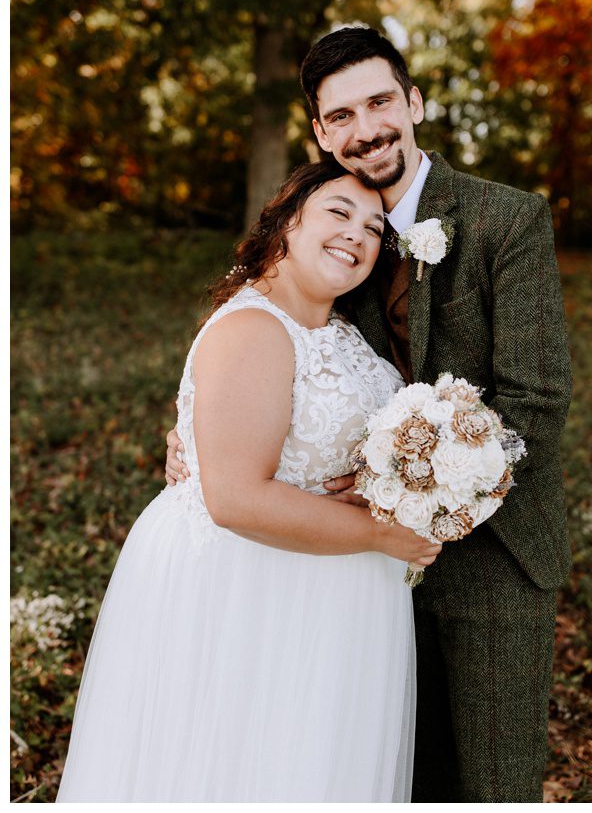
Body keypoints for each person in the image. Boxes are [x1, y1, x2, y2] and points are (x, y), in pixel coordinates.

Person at [167, 25, 573, 801]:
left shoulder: (505, 220)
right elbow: (260, 340)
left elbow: (536, 402)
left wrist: (420, 507)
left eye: (380, 102)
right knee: (380, 771)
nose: (367, 129)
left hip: (493, 551)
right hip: (345, 569)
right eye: (341, 116)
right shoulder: (326, 232)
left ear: (413, 102)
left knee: (492, 781)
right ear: (320, 131)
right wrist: (192, 430)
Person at [58, 163, 441, 802]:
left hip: (332, 589)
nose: (359, 235)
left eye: (375, 228)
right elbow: (235, 498)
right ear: (288, 221)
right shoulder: (253, 328)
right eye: (339, 212)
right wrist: (386, 534)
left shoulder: (342, 333)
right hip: (249, 588)